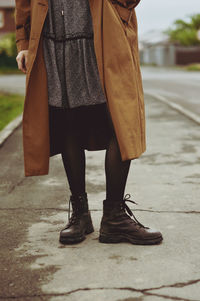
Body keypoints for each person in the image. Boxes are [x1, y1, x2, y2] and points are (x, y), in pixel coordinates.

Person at [15, 0, 163, 245]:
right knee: (68, 120)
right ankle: (81, 215)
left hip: (103, 32)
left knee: (121, 121)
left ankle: (115, 216)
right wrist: (24, 42)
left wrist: (122, 9)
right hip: (53, 39)